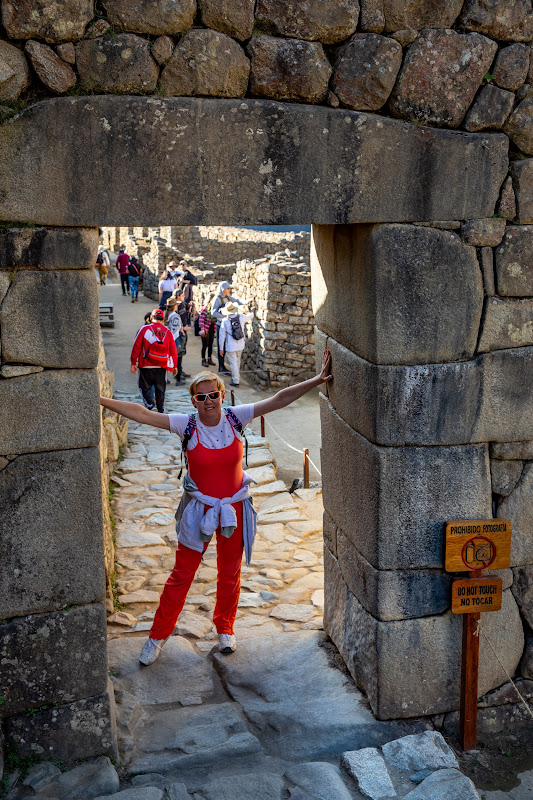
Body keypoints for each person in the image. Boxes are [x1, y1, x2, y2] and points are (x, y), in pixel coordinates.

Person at [98, 351, 332, 666]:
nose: (209, 400)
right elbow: (141, 414)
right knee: (181, 575)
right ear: (193, 401)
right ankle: (157, 637)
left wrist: (317, 380)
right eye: (201, 396)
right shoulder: (186, 425)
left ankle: (225, 627)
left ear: (222, 395)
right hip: (199, 510)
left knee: (230, 573)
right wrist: (99, 399)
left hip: (234, 508)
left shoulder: (236, 417)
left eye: (214, 394)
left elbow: (278, 399)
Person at [130, 308, 178, 413]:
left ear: (151, 318)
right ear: (163, 319)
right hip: (162, 365)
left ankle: (151, 405)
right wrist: (174, 366)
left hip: (146, 364)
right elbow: (173, 351)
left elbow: (136, 347)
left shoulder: (144, 329)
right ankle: (160, 409)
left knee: (144, 386)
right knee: (160, 388)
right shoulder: (168, 332)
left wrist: (133, 362)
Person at [211, 281, 247, 375]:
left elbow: (236, 301)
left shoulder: (227, 297)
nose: (229, 290)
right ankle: (221, 367)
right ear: (223, 289)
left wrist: (245, 302)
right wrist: (225, 317)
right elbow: (213, 312)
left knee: (225, 345)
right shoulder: (217, 299)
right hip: (221, 325)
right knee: (221, 346)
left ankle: (223, 366)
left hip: (227, 324)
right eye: (228, 288)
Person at [219, 303, 253, 387]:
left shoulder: (225, 321)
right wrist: (252, 311)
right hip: (240, 344)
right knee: (237, 361)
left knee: (233, 363)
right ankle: (236, 377)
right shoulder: (241, 317)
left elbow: (222, 336)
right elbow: (250, 316)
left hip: (230, 346)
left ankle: (236, 380)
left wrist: (221, 348)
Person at [165, 296, 190, 386]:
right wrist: (182, 329)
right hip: (175, 340)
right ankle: (178, 380)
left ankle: (166, 378)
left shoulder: (168, 315)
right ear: (174, 306)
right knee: (178, 360)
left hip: (169, 339)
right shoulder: (175, 316)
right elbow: (175, 329)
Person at [198, 295, 216, 368]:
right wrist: (202, 329)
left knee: (210, 344)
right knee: (205, 345)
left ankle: (209, 358)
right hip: (206, 328)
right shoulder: (205, 308)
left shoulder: (213, 308)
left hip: (211, 328)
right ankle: (203, 359)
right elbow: (201, 319)